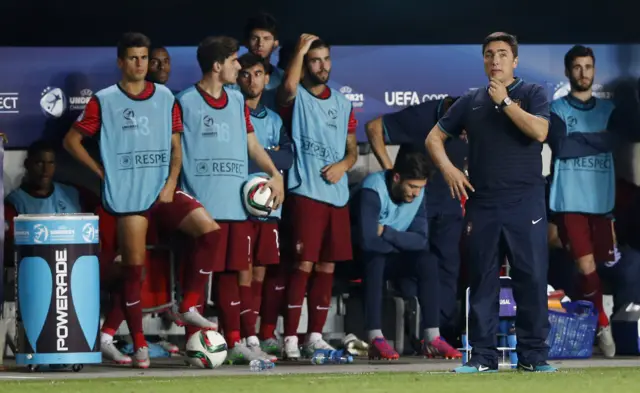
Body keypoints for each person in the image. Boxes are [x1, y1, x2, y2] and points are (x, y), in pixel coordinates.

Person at [63, 32, 221, 368]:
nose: (139, 64)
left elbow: (176, 146)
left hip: (161, 189)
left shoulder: (165, 97)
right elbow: (72, 141)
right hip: (128, 195)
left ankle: (187, 305)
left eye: (144, 58)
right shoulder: (104, 100)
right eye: (133, 58)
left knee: (210, 231)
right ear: (121, 62)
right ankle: (139, 344)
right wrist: (102, 173)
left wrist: (172, 182)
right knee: (135, 270)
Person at [426, 32, 554, 373]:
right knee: (481, 281)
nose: (494, 60)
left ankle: (533, 357)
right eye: (488, 55)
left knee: (531, 279)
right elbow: (434, 137)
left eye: (501, 54)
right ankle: (482, 357)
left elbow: (540, 132)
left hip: (526, 202)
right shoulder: (471, 100)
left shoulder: (532, 92)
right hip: (483, 203)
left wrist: (506, 103)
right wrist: (450, 170)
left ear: (515, 61)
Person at [176, 36, 285, 364]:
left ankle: (235, 341)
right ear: (217, 65)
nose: (239, 66)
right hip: (202, 205)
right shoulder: (184, 101)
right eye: (235, 61)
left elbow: (252, 144)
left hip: (236, 203)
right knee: (196, 277)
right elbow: (174, 151)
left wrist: (275, 173)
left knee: (232, 274)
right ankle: (195, 345)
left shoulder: (237, 102)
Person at [547, 45, 640, 358]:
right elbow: (561, 147)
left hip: (602, 203)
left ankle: (590, 319)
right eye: (577, 67)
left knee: (595, 269)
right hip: (569, 201)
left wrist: (586, 141)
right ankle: (601, 323)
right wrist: (597, 140)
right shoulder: (556, 110)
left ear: (594, 70)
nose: (583, 73)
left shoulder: (609, 111)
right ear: (568, 71)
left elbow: (613, 140)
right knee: (586, 267)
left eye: (588, 66)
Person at [277, 34, 358, 359]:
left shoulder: (343, 102)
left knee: (326, 267)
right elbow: (285, 90)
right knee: (303, 265)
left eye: (326, 59)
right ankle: (291, 339)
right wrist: (298, 50)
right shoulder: (298, 98)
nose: (322, 66)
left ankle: (315, 336)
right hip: (305, 192)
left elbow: (352, 150)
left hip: (336, 196)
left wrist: (343, 165)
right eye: (315, 60)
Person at [365, 96, 468, 343]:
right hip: (415, 206)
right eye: (462, 128)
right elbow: (373, 127)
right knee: (415, 265)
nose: (465, 134)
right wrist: (391, 174)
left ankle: (439, 334)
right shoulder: (421, 116)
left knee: (448, 269)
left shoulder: (470, 120)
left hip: (450, 206)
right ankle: (416, 333)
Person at [351, 151, 462, 360]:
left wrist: (386, 232)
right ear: (396, 178)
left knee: (427, 260)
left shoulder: (418, 197)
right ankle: (375, 337)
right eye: (412, 186)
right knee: (375, 257)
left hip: (388, 251)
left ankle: (432, 338)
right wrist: (401, 242)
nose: (416, 193)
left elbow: (421, 240)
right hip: (356, 258)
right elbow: (367, 241)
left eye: (420, 187)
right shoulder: (372, 189)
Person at [236, 53, 294, 356]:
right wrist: (265, 154)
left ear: (267, 79)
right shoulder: (231, 112)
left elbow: (288, 157)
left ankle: (255, 337)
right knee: (241, 271)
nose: (252, 80)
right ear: (237, 77)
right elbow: (239, 156)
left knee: (259, 271)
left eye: (258, 74)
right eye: (245, 74)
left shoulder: (272, 119)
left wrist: (266, 156)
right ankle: (243, 337)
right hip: (236, 204)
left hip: (269, 205)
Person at [243, 12, 284, 109]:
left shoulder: (282, 77)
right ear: (246, 42)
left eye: (266, 38)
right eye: (254, 38)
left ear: (275, 44)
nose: (260, 43)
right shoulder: (232, 76)